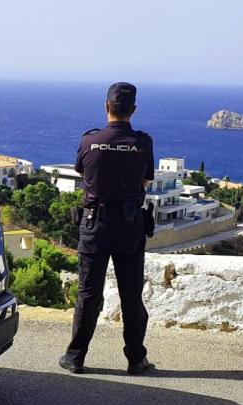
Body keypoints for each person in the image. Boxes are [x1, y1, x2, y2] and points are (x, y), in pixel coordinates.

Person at [59, 82, 156, 375]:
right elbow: (145, 181)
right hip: (129, 226)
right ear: (133, 110)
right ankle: (136, 359)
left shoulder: (89, 141)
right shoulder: (142, 144)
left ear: (106, 107)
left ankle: (75, 357)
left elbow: (81, 171)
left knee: (88, 293)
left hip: (94, 224)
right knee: (131, 294)